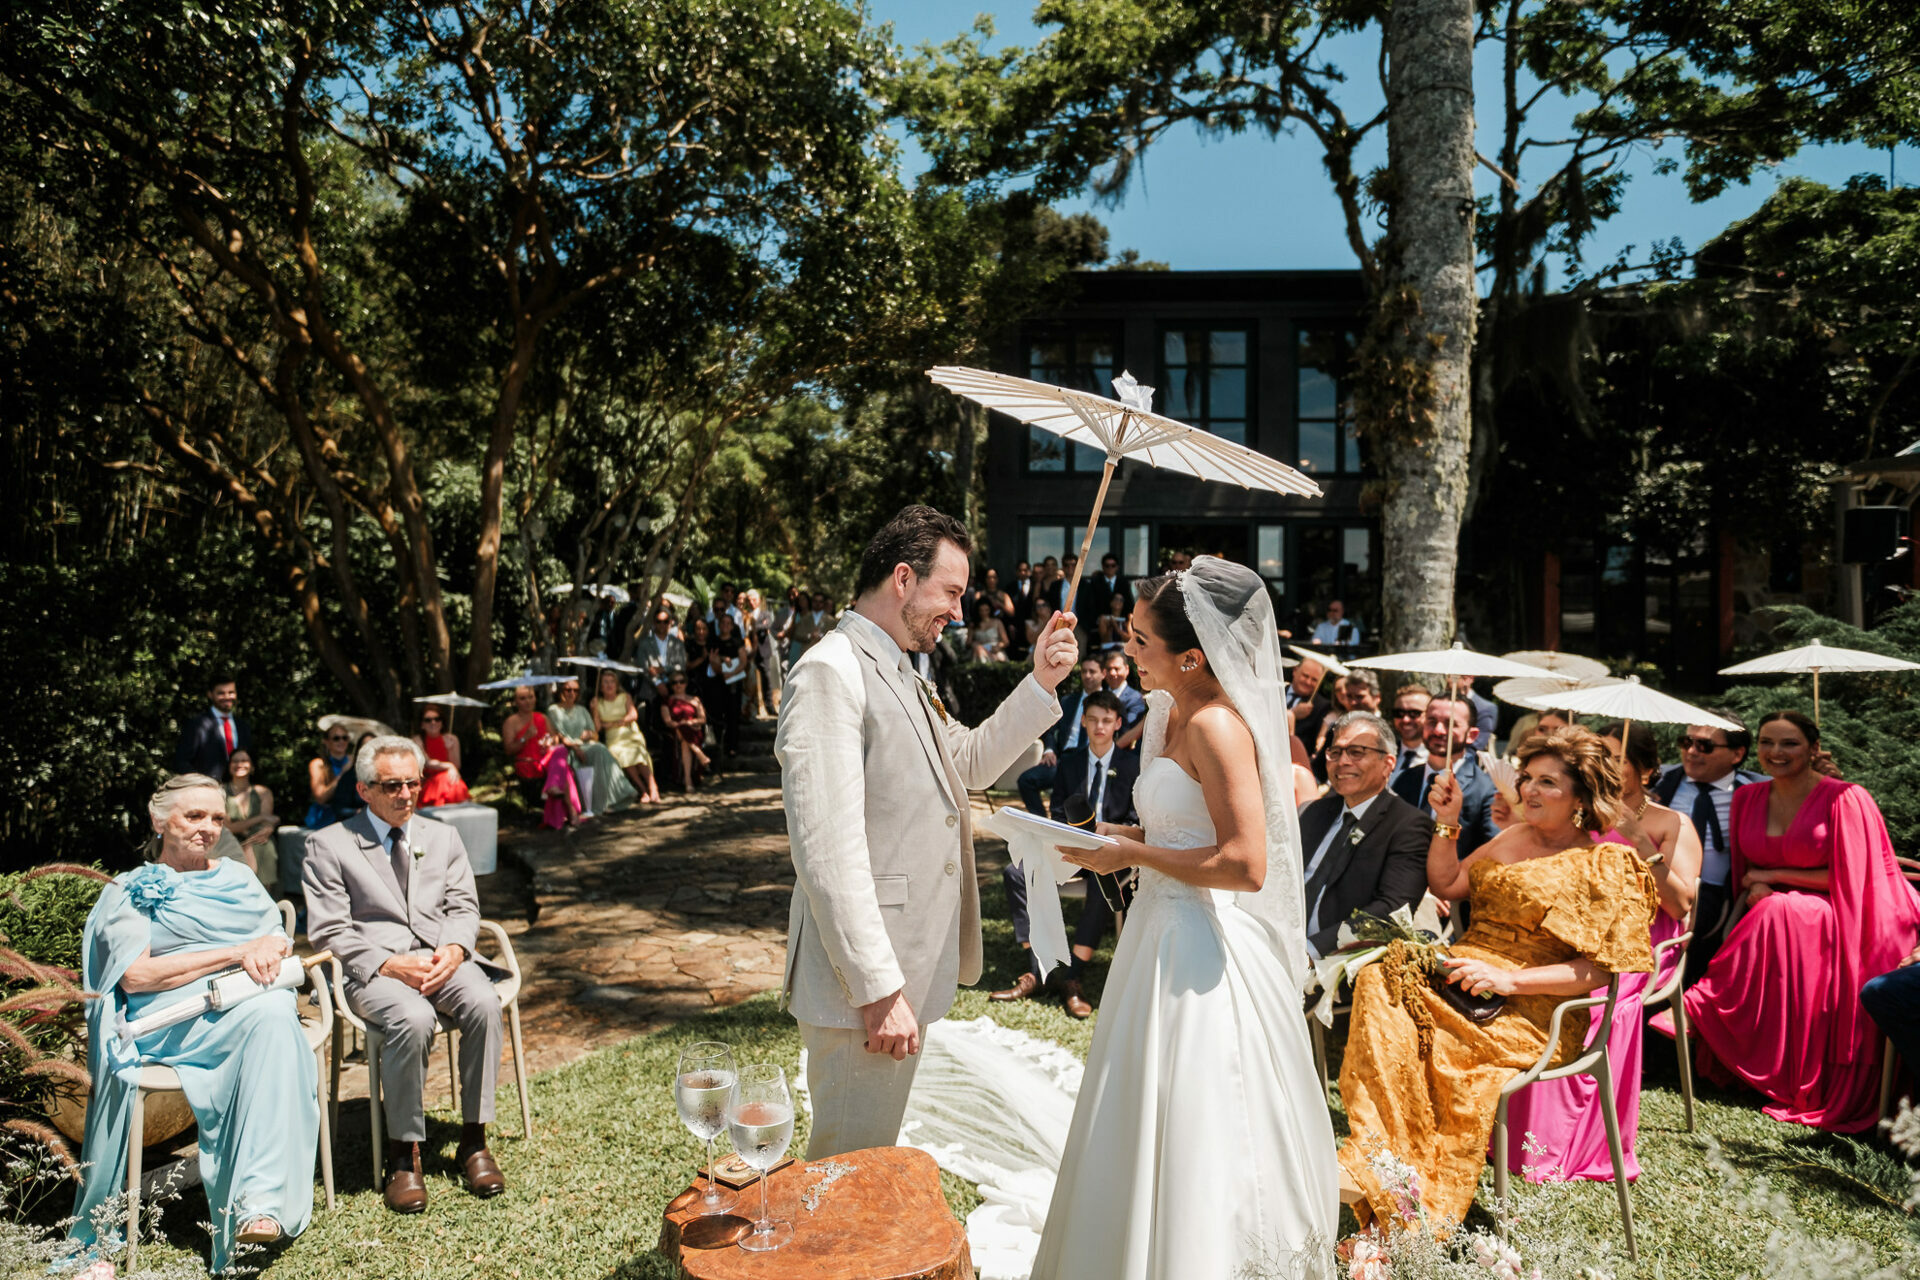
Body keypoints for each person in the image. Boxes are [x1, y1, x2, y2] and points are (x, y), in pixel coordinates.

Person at [1032, 559, 1337, 1277]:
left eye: (1141, 640)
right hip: (1154, 933)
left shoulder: (1219, 727)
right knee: (1138, 1105)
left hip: (1199, 947)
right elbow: (1179, 828)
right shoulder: (1168, 713)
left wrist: (1134, 856)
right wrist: (1115, 838)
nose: (1127, 650)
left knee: (1197, 1110)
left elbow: (1245, 864)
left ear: (1192, 656)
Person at [776, 504, 1077, 1160]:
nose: (959, 613)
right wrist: (878, 989)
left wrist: (1041, 681)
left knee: (869, 1164)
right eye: (952, 592)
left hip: (903, 971)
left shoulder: (904, 669)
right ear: (904, 579)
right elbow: (826, 852)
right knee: (847, 1172)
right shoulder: (831, 671)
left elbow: (966, 762)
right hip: (864, 988)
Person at [1338, 727, 1659, 1231]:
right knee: (1381, 981)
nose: (1528, 789)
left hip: (1534, 1007)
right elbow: (1448, 883)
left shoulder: (1606, 863)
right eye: (1527, 777)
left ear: (1581, 796)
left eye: (1547, 782)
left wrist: (1509, 980)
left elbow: (1596, 971)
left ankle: (1400, 1196)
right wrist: (1447, 822)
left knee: (1432, 1042)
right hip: (1463, 976)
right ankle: (1381, 1161)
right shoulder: (1512, 837)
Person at [71, 775, 316, 1270]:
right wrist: (236, 952)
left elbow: (274, 934)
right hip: (168, 1018)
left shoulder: (238, 877)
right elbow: (136, 976)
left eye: (218, 818)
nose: (208, 827)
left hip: (243, 1005)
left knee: (272, 1015)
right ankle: (256, 1200)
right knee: (271, 1021)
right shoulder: (131, 888)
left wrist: (271, 947)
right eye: (195, 816)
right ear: (159, 820)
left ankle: (259, 1204)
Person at [1664, 710, 1920, 1133]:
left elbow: (1855, 876)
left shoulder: (1846, 797)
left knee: (1783, 910)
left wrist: (1772, 876)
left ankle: (1701, 1005)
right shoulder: (1748, 798)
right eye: (1767, 742)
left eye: (1789, 743)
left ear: (1814, 748)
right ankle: (1727, 1026)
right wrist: (1760, 883)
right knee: (1779, 910)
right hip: (1782, 910)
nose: (1775, 752)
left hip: (1855, 907)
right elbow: (1745, 871)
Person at [302, 737, 508, 1213]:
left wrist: (454, 949)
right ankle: (404, 1155)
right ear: (364, 790)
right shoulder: (328, 844)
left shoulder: (443, 836)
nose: (406, 794)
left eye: (413, 783)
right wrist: (390, 964)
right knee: (413, 1018)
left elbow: (464, 906)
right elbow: (329, 930)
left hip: (440, 960)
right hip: (373, 970)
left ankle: (474, 1140)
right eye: (392, 785)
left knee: (483, 1003)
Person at [1500, 720, 1700, 1186]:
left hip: (1636, 945)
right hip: (1565, 934)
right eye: (1601, 757)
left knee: (1578, 994)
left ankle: (1554, 1140)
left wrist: (1638, 839)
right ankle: (1504, 1123)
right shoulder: (1575, 817)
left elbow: (1681, 905)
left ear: (1645, 769)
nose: (1607, 766)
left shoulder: (1671, 823)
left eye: (1618, 758)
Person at [992, 690, 1137, 1019]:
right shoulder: (1069, 763)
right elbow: (1058, 811)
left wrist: (1107, 836)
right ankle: (1037, 968)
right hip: (1069, 846)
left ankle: (1072, 976)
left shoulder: (1131, 766)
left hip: (1110, 851)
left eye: (1107, 720)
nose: (1099, 726)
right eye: (1093, 719)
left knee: (1102, 877)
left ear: (1118, 724)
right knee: (1016, 872)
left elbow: (1133, 819)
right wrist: (1066, 837)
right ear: (1083, 721)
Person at [1297, 712, 1433, 960]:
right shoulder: (1312, 813)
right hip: (1275, 943)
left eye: (1356, 752)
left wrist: (1310, 951)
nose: (1343, 761)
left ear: (1388, 764)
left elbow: (1392, 910)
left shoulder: (1408, 826)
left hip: (1338, 960)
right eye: (1335, 752)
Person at [1653, 712, 1765, 986]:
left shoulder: (1758, 791)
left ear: (1737, 754)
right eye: (1686, 742)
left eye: (1704, 745)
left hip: (1718, 897)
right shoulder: (1658, 780)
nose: (1691, 751)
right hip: (1659, 888)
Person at [1392, 695, 1501, 859]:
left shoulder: (1486, 789)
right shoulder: (1403, 778)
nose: (1439, 730)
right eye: (1432, 721)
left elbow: (1493, 850)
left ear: (1472, 735)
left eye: (1451, 724)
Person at [1017, 656, 1106, 817]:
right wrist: (1049, 750)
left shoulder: (1109, 704)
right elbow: (1051, 730)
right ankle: (1042, 824)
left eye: (1092, 672)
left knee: (1067, 804)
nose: (1087, 675)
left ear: (1103, 674)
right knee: (1026, 780)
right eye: (1084, 671)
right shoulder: (1068, 701)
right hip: (1061, 760)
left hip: (1088, 761)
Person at [548, 675, 636, 817]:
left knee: (600, 749)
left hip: (587, 745)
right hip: (569, 749)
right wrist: (576, 748)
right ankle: (600, 802)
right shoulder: (554, 710)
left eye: (575, 690)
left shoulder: (582, 710)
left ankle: (617, 794)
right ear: (561, 691)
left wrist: (589, 734)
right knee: (599, 750)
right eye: (568, 690)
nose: (572, 693)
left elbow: (595, 735)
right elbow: (559, 735)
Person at [502, 684, 581, 829]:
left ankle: (554, 788)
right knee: (564, 769)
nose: (528, 701)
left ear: (535, 699)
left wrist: (549, 743)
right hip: (528, 762)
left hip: (546, 759)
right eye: (523, 698)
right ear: (516, 702)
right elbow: (508, 750)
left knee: (560, 750)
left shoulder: (542, 717)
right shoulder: (511, 722)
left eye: (530, 697)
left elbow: (554, 739)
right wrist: (524, 738)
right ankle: (571, 811)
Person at [593, 667, 659, 804]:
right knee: (622, 755)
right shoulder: (597, 703)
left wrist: (613, 723)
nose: (609, 685)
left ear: (616, 684)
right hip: (614, 739)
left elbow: (633, 715)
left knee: (637, 753)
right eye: (605, 682)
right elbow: (598, 727)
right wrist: (594, 710)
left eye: (612, 682)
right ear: (600, 687)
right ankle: (643, 790)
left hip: (630, 734)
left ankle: (653, 788)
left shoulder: (625, 697)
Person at [173, 675, 251, 782]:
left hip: (239, 790)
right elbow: (181, 762)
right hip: (206, 789)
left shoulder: (243, 726)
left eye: (231, 692)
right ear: (210, 694)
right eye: (221, 693)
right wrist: (201, 783)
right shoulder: (197, 724)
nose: (227, 697)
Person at [221, 748, 279, 887]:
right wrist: (261, 817)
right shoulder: (220, 791)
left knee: (264, 843)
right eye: (235, 761)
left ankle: (265, 892)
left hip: (256, 837)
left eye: (244, 760)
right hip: (229, 838)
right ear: (229, 766)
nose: (239, 764)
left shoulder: (263, 792)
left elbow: (266, 823)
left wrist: (268, 828)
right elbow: (229, 827)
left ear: (252, 767)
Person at [707, 610, 748, 758]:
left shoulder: (737, 641)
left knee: (733, 715)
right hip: (718, 682)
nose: (725, 625)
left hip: (734, 683)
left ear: (732, 626)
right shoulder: (714, 641)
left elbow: (743, 662)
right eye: (723, 623)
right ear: (719, 625)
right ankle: (719, 745)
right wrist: (723, 662)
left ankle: (732, 747)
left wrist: (732, 673)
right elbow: (712, 660)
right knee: (718, 713)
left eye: (728, 623)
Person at [661, 670, 711, 791]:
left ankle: (688, 780)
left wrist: (690, 722)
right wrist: (680, 724)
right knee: (681, 729)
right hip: (676, 731)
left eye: (681, 681)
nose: (678, 685)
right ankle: (698, 755)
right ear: (671, 685)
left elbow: (703, 719)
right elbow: (668, 721)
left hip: (694, 731)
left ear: (686, 683)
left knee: (684, 740)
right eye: (675, 682)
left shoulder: (695, 700)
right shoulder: (667, 701)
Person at [305, 724, 362, 828]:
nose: (341, 741)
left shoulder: (354, 760)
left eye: (345, 738)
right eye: (336, 738)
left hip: (350, 814)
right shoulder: (318, 764)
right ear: (326, 742)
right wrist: (342, 775)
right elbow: (321, 798)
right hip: (325, 817)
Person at [414, 708, 471, 808]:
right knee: (447, 780)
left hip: (448, 779)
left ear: (442, 722)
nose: (433, 722)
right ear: (422, 724)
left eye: (437, 719)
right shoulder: (417, 740)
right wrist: (449, 766)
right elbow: (427, 763)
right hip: (428, 783)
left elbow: (457, 766)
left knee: (451, 780)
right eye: (428, 720)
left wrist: (450, 750)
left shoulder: (452, 739)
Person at [743, 588, 783, 719]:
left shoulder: (765, 613)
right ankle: (751, 708)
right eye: (749, 600)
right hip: (749, 651)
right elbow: (750, 629)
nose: (752, 602)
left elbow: (768, 626)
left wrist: (754, 627)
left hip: (763, 650)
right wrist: (759, 627)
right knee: (750, 679)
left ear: (759, 600)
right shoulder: (746, 615)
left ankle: (770, 706)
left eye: (754, 600)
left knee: (767, 678)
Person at [632, 608, 688, 697]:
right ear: (654, 623)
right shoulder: (644, 643)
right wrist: (657, 683)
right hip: (650, 690)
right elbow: (642, 666)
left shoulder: (678, 643)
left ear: (670, 623)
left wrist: (663, 669)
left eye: (665, 621)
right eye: (659, 621)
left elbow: (681, 666)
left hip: (674, 689)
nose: (662, 624)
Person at [1286, 650, 1335, 750]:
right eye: (1305, 676)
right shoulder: (1275, 692)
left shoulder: (1322, 706)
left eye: (1314, 680)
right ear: (1295, 671)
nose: (1308, 682)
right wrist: (1293, 714)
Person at [1103, 650, 1148, 750]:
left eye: (1116, 669)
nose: (1112, 673)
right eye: (1109, 669)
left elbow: (1129, 729)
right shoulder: (1099, 695)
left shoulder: (1135, 698)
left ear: (1127, 670)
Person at [1387, 683, 1431, 781]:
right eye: (1399, 713)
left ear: (1429, 715)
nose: (1405, 720)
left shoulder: (1440, 760)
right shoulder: (1385, 755)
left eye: (1414, 713)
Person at [1448, 672, 1499, 743]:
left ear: (1468, 679)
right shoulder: (1442, 704)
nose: (1447, 680)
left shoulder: (1486, 708)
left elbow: (1478, 743)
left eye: (1450, 676)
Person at [1080, 552, 1129, 624]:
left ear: (1117, 567)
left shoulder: (1124, 583)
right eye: (1107, 565)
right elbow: (1090, 604)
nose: (1110, 568)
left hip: (1120, 621)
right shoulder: (1095, 582)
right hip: (1099, 623)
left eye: (1113, 565)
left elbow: (1129, 603)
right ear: (1103, 567)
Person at [969, 597, 1011, 662]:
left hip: (995, 650)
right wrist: (975, 644)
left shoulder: (997, 622)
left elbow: (1006, 642)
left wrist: (998, 646)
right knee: (980, 654)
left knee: (999, 657)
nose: (984, 613)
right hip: (979, 651)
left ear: (990, 610)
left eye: (986, 610)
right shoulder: (973, 624)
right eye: (981, 610)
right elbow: (968, 642)